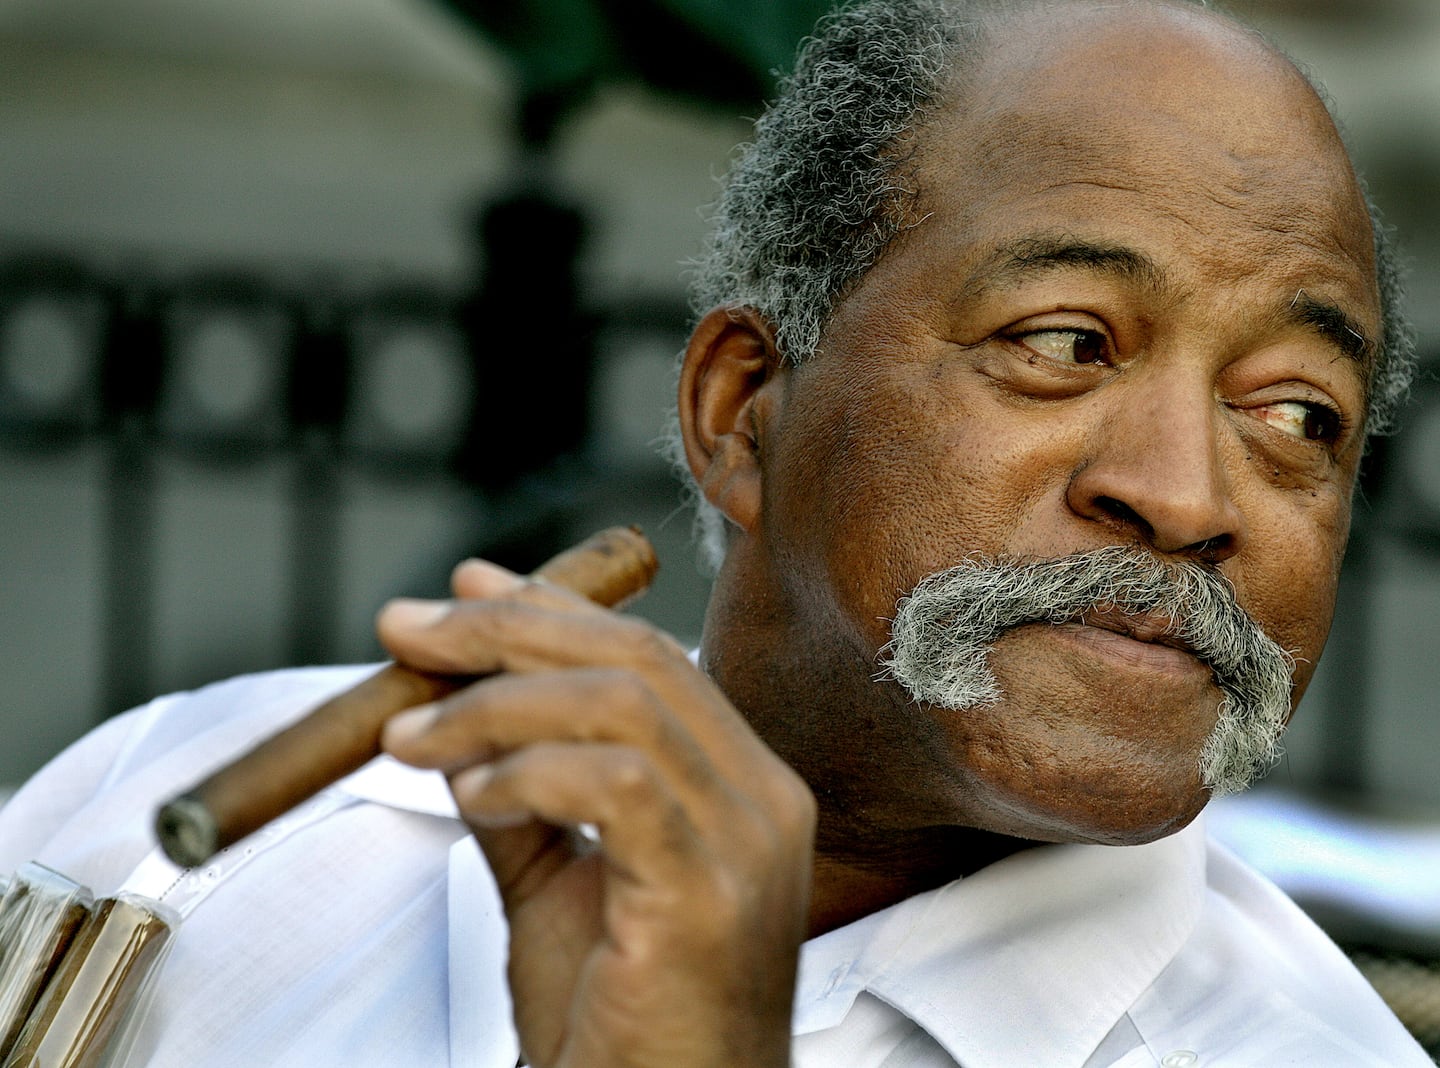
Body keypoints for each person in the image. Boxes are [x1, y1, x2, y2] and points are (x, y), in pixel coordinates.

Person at [0, 0, 1431, 1064]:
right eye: (1064, 341)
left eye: (1301, 415)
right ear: (745, 408)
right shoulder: (193, 813)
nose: (1189, 496)